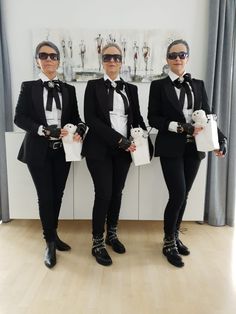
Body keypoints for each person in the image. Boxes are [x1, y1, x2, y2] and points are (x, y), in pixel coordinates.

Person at [147, 39, 227, 268]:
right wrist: (181, 127)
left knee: (185, 193)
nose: (178, 58)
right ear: (167, 59)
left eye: (182, 54)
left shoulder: (198, 85)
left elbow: (209, 115)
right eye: (173, 55)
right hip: (171, 147)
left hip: (195, 148)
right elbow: (154, 118)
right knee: (178, 193)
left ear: (188, 57)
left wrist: (221, 138)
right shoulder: (158, 86)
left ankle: (174, 236)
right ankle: (167, 241)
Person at [14, 41, 86, 269]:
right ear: (37, 60)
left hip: (62, 151)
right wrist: (44, 130)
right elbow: (19, 118)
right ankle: (49, 242)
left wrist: (81, 129)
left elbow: (75, 117)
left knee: (57, 195)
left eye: (52, 56)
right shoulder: (29, 86)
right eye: (43, 55)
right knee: (45, 197)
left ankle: (53, 235)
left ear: (58, 60)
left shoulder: (69, 89)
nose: (48, 59)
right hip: (37, 151)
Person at [82, 43, 149, 266]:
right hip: (99, 149)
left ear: (122, 61)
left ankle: (111, 234)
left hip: (125, 150)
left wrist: (142, 133)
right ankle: (97, 242)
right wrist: (119, 140)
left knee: (117, 193)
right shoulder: (92, 86)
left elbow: (137, 117)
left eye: (116, 57)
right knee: (103, 193)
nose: (112, 61)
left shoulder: (132, 89)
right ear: (102, 61)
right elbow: (91, 119)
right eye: (108, 57)